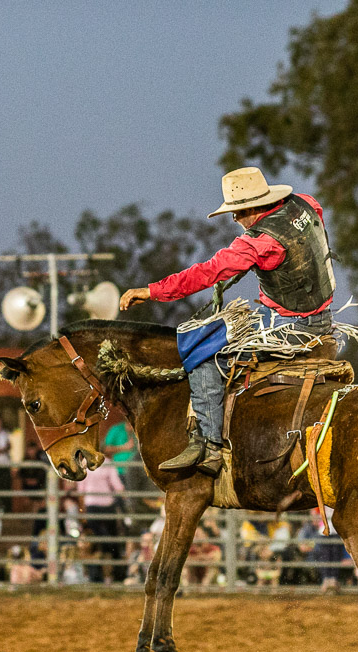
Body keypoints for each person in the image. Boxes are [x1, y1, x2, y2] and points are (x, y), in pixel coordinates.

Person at [119, 167, 339, 476]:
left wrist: (152, 290)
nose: (235, 220)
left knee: (202, 351)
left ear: (250, 209)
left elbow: (207, 272)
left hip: (289, 325)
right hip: (322, 314)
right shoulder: (304, 203)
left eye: (236, 213)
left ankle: (210, 446)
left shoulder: (258, 242)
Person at [75, 449, 126, 582]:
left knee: (96, 541)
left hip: (92, 506)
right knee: (111, 540)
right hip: (107, 506)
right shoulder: (108, 464)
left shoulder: (84, 464)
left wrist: (82, 511)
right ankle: (117, 574)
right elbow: (118, 487)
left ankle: (97, 576)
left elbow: (81, 490)